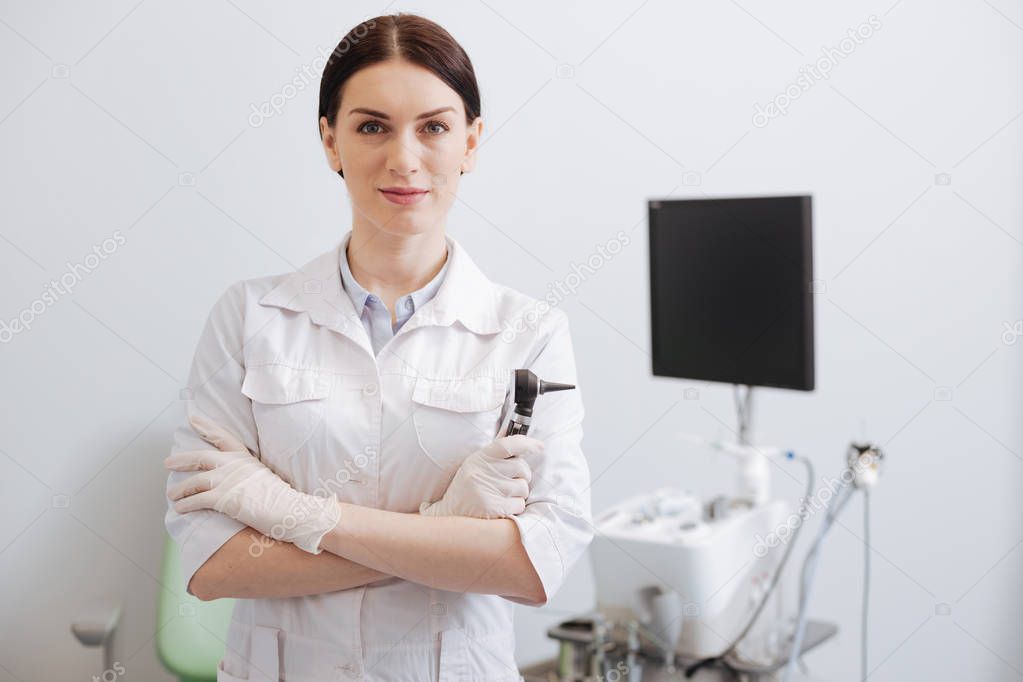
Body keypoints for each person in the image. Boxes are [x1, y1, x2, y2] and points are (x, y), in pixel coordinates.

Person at [162, 12, 592, 682]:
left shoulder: (529, 333)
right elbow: (212, 566)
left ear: (470, 142)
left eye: (433, 127)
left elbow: (533, 566)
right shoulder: (248, 317)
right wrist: (448, 528)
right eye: (371, 127)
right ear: (330, 141)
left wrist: (293, 514)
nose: (403, 159)